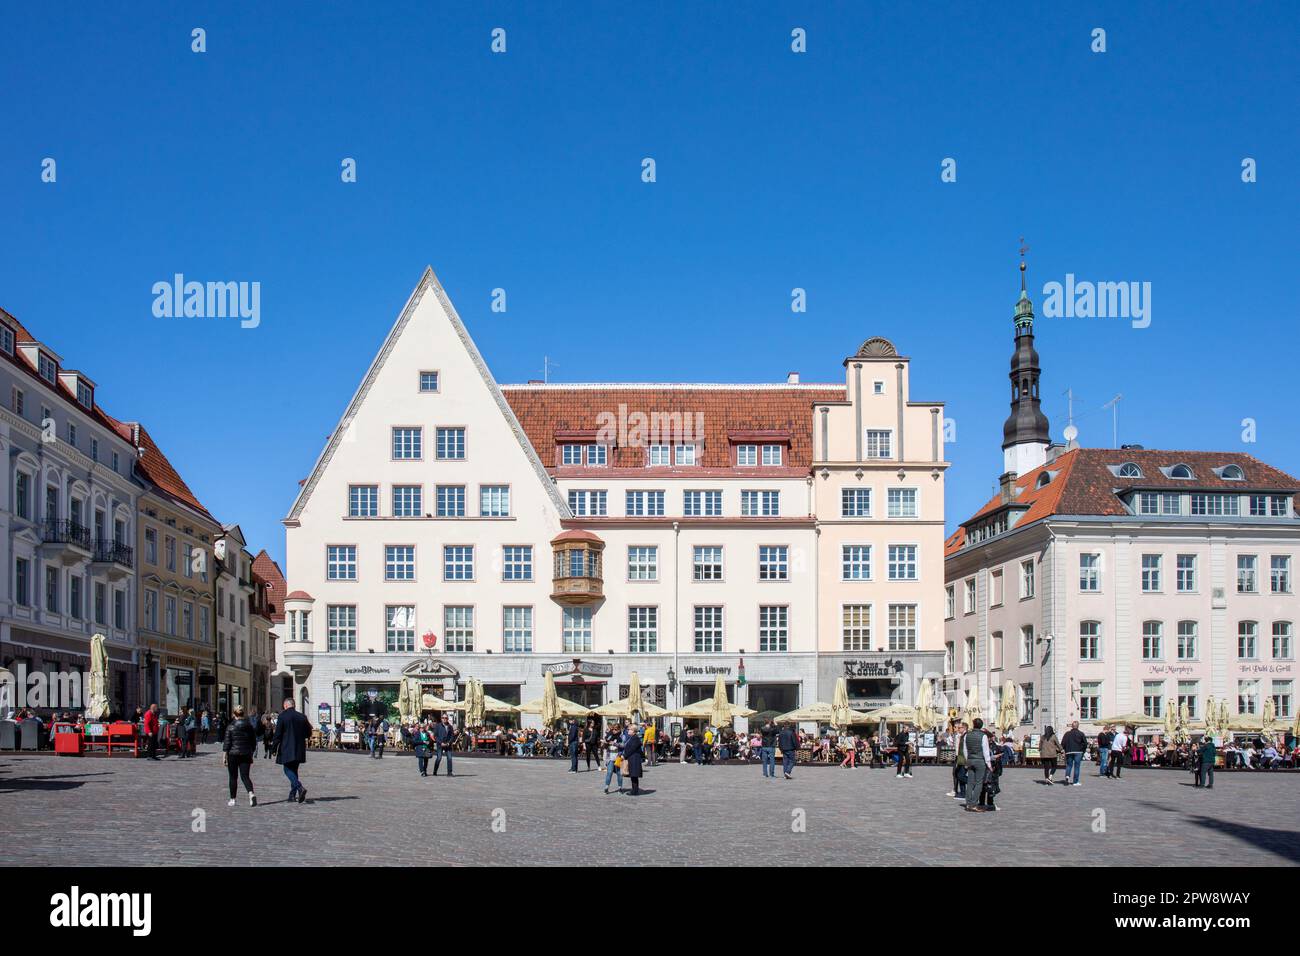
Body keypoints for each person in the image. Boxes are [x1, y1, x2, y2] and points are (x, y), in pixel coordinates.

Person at [273, 697, 312, 803]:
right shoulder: (302, 717)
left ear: (285, 706)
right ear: (293, 705)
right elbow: (309, 733)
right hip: (299, 747)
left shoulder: (282, 716)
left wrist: (274, 747)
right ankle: (292, 795)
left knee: (287, 769)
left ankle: (300, 787)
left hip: (286, 747)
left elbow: (278, 734)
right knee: (294, 770)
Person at [221, 705, 259, 807]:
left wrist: (224, 756)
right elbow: (253, 741)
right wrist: (251, 751)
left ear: (234, 714)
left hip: (233, 754)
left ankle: (233, 799)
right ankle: (251, 794)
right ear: (243, 713)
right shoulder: (249, 726)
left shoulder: (230, 726)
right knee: (245, 776)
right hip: (246, 754)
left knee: (233, 777)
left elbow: (227, 743)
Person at [963, 718, 992, 812]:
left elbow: (965, 749)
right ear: (981, 725)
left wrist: (967, 759)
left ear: (973, 724)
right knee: (979, 783)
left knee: (970, 782)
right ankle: (974, 804)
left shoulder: (967, 735)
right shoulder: (983, 736)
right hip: (980, 761)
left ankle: (968, 803)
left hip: (970, 760)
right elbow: (986, 751)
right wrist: (989, 764)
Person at [1061, 721, 1087, 787]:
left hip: (1069, 751)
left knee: (1069, 765)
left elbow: (1063, 743)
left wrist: (1064, 749)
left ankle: (1067, 778)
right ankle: (1075, 782)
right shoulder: (1081, 733)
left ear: (1072, 726)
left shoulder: (1067, 734)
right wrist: (1083, 750)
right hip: (1078, 752)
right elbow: (1085, 743)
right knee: (1077, 767)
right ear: (1078, 726)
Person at [622, 722, 645, 795]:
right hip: (632, 758)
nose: (628, 731)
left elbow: (632, 749)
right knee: (633, 775)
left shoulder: (635, 738)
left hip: (634, 758)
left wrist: (624, 755)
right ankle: (634, 790)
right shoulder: (632, 737)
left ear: (633, 731)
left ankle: (635, 791)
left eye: (629, 730)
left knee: (634, 775)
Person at [948, 721, 968, 799]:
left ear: (964, 728)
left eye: (958, 727)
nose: (956, 729)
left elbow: (965, 749)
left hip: (962, 758)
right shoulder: (958, 736)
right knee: (957, 774)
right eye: (957, 727)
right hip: (958, 757)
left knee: (960, 775)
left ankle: (970, 786)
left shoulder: (964, 736)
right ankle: (960, 791)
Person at [602, 725, 624, 794]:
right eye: (613, 729)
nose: (614, 731)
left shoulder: (622, 736)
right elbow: (605, 747)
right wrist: (605, 743)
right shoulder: (610, 736)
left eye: (616, 729)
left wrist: (615, 744)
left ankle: (620, 788)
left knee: (619, 773)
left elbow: (623, 745)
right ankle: (606, 787)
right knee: (609, 772)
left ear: (619, 730)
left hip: (618, 757)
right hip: (610, 757)